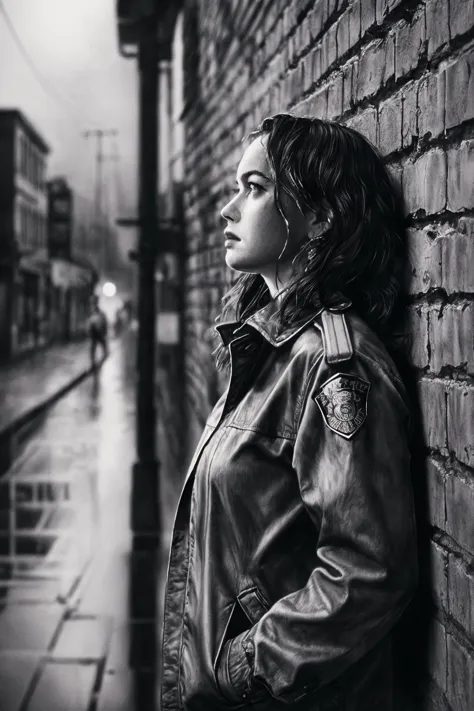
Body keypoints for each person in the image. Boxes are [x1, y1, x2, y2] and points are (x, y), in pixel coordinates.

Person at [160, 114, 417, 711]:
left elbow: (369, 571)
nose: (228, 209)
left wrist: (244, 667)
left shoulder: (331, 366)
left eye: (254, 188)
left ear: (319, 217)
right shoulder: (264, 347)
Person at [87, 296, 108, 366]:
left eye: (94, 301)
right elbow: (89, 323)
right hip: (94, 333)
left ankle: (99, 363)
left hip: (99, 332)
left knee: (104, 349)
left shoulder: (99, 312)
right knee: (93, 350)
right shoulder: (91, 312)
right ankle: (94, 364)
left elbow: (104, 322)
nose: (92, 303)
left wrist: (104, 331)